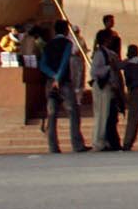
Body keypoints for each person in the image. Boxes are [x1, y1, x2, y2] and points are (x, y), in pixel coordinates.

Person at [40, 21, 88, 153]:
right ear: (66, 31)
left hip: (50, 82)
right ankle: (77, 144)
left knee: (52, 114)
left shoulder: (47, 45)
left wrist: (52, 76)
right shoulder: (67, 44)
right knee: (73, 112)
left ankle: (53, 146)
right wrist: (58, 77)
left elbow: (42, 65)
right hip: (64, 81)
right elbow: (65, 60)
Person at [89, 26, 124, 151]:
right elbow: (94, 72)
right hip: (102, 87)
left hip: (109, 88)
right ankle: (99, 142)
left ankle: (107, 140)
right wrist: (109, 68)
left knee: (108, 115)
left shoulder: (109, 53)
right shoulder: (99, 54)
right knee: (102, 115)